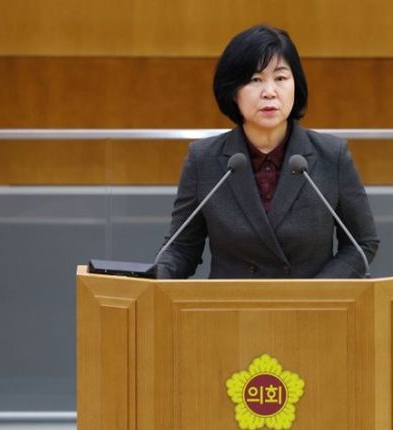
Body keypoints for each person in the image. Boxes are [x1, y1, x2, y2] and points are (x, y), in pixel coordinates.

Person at [156, 24, 379, 279]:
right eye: (255, 80)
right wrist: (155, 278)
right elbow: (181, 248)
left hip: (310, 303)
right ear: (233, 91)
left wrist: (317, 293)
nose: (270, 92)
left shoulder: (331, 155)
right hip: (232, 304)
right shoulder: (203, 159)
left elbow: (362, 243)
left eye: (281, 78)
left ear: (296, 85)